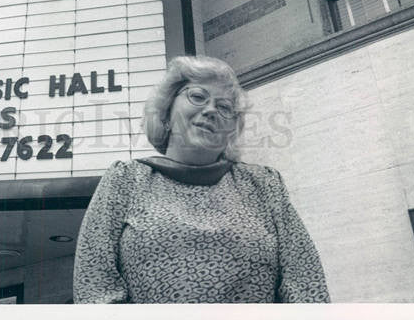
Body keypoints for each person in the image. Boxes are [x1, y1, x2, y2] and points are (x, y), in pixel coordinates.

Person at [72, 54, 330, 304]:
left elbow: (306, 284)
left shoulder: (264, 184)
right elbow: (95, 288)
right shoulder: (125, 180)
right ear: (167, 112)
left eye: (224, 107)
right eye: (197, 96)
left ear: (231, 130)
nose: (210, 110)